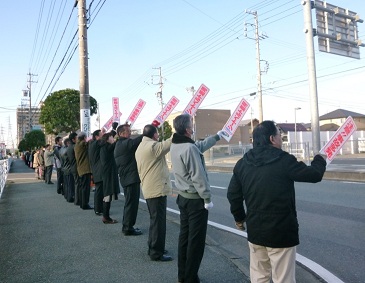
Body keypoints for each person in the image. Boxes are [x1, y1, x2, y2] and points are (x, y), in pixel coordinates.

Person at [227, 120, 327, 283]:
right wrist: (320, 159)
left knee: (259, 277)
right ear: (272, 139)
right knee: (283, 279)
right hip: (281, 231)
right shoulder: (284, 160)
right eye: (280, 135)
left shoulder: (242, 163)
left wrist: (239, 218)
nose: (281, 138)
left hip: (255, 230)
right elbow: (314, 175)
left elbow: (233, 195)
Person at [170, 113, 224, 283]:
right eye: (191, 125)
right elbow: (199, 177)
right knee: (196, 242)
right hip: (195, 201)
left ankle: (183, 275)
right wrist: (207, 199)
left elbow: (198, 146)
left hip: (183, 198)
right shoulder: (189, 148)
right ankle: (191, 278)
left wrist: (216, 137)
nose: (193, 127)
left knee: (184, 238)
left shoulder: (176, 144)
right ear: (187, 129)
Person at [135, 124, 173, 262]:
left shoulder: (141, 146)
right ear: (154, 134)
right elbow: (168, 144)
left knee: (155, 220)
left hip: (150, 188)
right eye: (157, 133)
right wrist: (177, 132)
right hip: (156, 189)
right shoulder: (152, 147)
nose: (158, 136)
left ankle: (153, 247)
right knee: (158, 222)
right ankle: (156, 252)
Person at [114, 123, 143, 236]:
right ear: (121, 133)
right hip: (130, 178)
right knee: (131, 204)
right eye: (128, 131)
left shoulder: (120, 144)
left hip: (127, 177)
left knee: (130, 203)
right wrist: (147, 131)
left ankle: (127, 226)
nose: (130, 133)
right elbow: (136, 141)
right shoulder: (124, 143)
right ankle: (128, 227)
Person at [100, 132, 120, 224]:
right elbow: (115, 144)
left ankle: (106, 216)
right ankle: (106, 217)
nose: (113, 138)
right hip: (108, 174)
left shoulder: (104, 147)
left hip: (107, 174)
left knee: (107, 195)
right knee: (107, 196)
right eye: (112, 137)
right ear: (107, 139)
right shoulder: (106, 147)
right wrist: (120, 137)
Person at [74, 132, 93, 210]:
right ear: (84, 138)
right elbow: (88, 142)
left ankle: (82, 203)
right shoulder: (82, 144)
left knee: (83, 187)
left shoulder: (77, 145)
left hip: (81, 169)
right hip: (85, 169)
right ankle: (85, 204)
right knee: (86, 188)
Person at [88, 129, 104, 215]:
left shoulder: (92, 144)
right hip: (98, 170)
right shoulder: (96, 144)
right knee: (99, 190)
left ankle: (99, 208)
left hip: (96, 170)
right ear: (97, 137)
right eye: (101, 135)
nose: (103, 136)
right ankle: (98, 209)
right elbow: (104, 141)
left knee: (99, 190)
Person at [66, 132, 78, 204]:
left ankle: (73, 198)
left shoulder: (69, 147)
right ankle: (76, 200)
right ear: (73, 139)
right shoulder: (74, 147)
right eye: (77, 138)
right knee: (77, 184)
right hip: (75, 167)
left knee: (73, 184)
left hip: (72, 167)